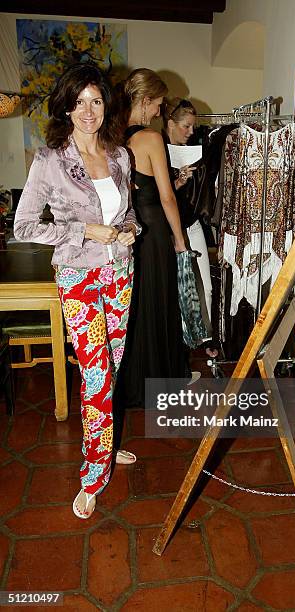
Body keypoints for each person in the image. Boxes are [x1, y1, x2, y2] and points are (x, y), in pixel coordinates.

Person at [13, 63, 139, 520]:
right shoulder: (50, 160)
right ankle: (92, 475)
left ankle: (105, 449)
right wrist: (84, 231)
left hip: (121, 274)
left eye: (97, 100)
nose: (89, 110)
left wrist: (127, 231)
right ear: (67, 106)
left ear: (108, 106)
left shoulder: (121, 156)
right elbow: (24, 225)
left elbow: (127, 214)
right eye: (80, 101)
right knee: (95, 376)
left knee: (114, 368)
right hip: (78, 279)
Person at [115, 69, 187, 410]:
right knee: (159, 303)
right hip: (155, 231)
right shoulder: (150, 139)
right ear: (144, 102)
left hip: (125, 234)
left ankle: (132, 385)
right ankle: (162, 383)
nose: (159, 111)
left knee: (135, 308)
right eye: (157, 105)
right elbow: (167, 198)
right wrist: (180, 239)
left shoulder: (109, 136)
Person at [163, 98, 217, 358]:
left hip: (192, 225)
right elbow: (154, 196)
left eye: (193, 127)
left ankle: (203, 337)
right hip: (167, 230)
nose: (191, 132)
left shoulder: (196, 148)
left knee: (205, 285)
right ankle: (177, 346)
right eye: (186, 126)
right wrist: (177, 182)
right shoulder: (157, 149)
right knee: (174, 289)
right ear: (170, 124)